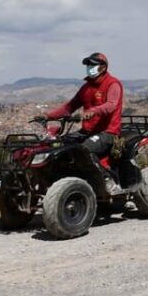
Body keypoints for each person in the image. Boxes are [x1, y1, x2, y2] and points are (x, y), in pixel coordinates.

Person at [42, 52, 124, 194]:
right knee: (59, 146)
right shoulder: (86, 88)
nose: (89, 67)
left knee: (83, 151)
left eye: (93, 65)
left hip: (108, 132)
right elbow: (69, 107)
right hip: (87, 132)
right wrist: (48, 116)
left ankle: (107, 180)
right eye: (88, 65)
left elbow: (111, 105)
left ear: (103, 67)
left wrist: (94, 111)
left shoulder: (113, 84)